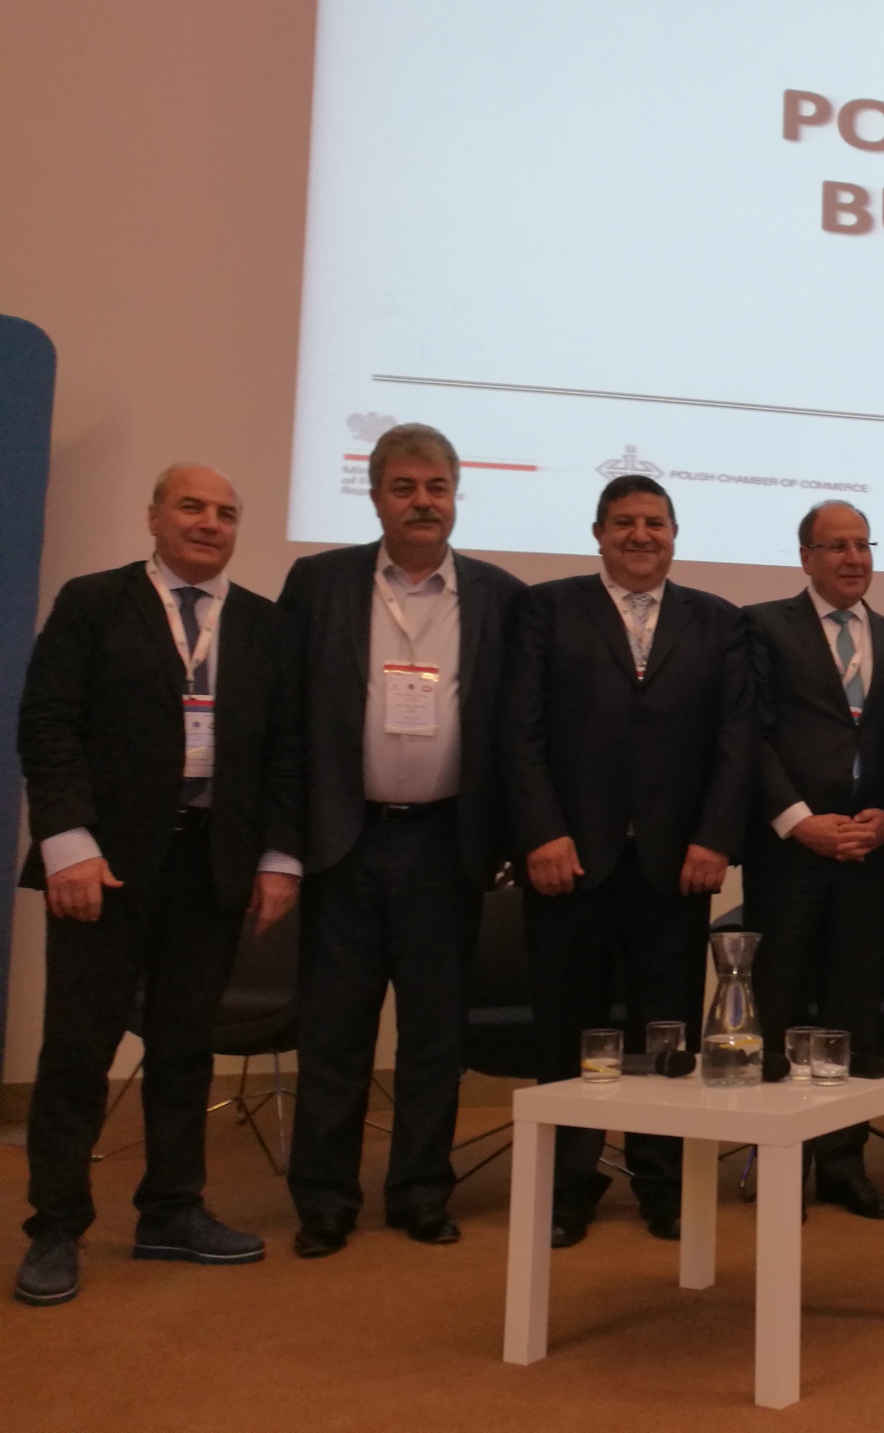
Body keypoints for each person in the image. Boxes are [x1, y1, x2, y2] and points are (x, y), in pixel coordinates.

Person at [14, 465, 302, 1306]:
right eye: (191, 506)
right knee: (77, 1050)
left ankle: (172, 1210)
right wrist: (67, 844)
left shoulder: (265, 626)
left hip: (211, 863)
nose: (210, 523)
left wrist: (279, 860)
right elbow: (48, 724)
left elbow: (286, 751)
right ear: (153, 517)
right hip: (103, 865)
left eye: (226, 512)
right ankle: (56, 1226)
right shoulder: (94, 602)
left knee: (184, 1047)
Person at [280, 423, 525, 1257]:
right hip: (343, 842)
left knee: (433, 1035)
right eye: (405, 487)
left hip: (445, 846)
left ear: (456, 496)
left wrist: (507, 840)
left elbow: (516, 732)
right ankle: (325, 1199)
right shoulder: (320, 583)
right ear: (375, 494)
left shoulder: (500, 595)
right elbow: (286, 720)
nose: (423, 502)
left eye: (437, 487)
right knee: (335, 1032)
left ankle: (421, 1191)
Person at [502, 476, 753, 1244]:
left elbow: (736, 740)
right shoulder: (546, 609)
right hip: (568, 862)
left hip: (677, 866)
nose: (640, 535)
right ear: (598, 533)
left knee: (665, 1034)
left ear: (674, 534)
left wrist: (715, 837)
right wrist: (540, 833)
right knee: (568, 1031)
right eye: (623, 522)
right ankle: (565, 1186)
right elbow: (519, 730)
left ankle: (664, 1181)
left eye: (654, 523)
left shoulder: (718, 621)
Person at [742, 501, 884, 1220]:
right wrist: (798, 822)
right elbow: (749, 736)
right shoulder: (763, 626)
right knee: (779, 1003)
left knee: (853, 1010)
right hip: (790, 851)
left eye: (863, 545)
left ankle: (843, 1162)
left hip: (866, 855)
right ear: (805, 557)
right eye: (836, 546)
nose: (853, 559)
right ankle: (778, 1155)